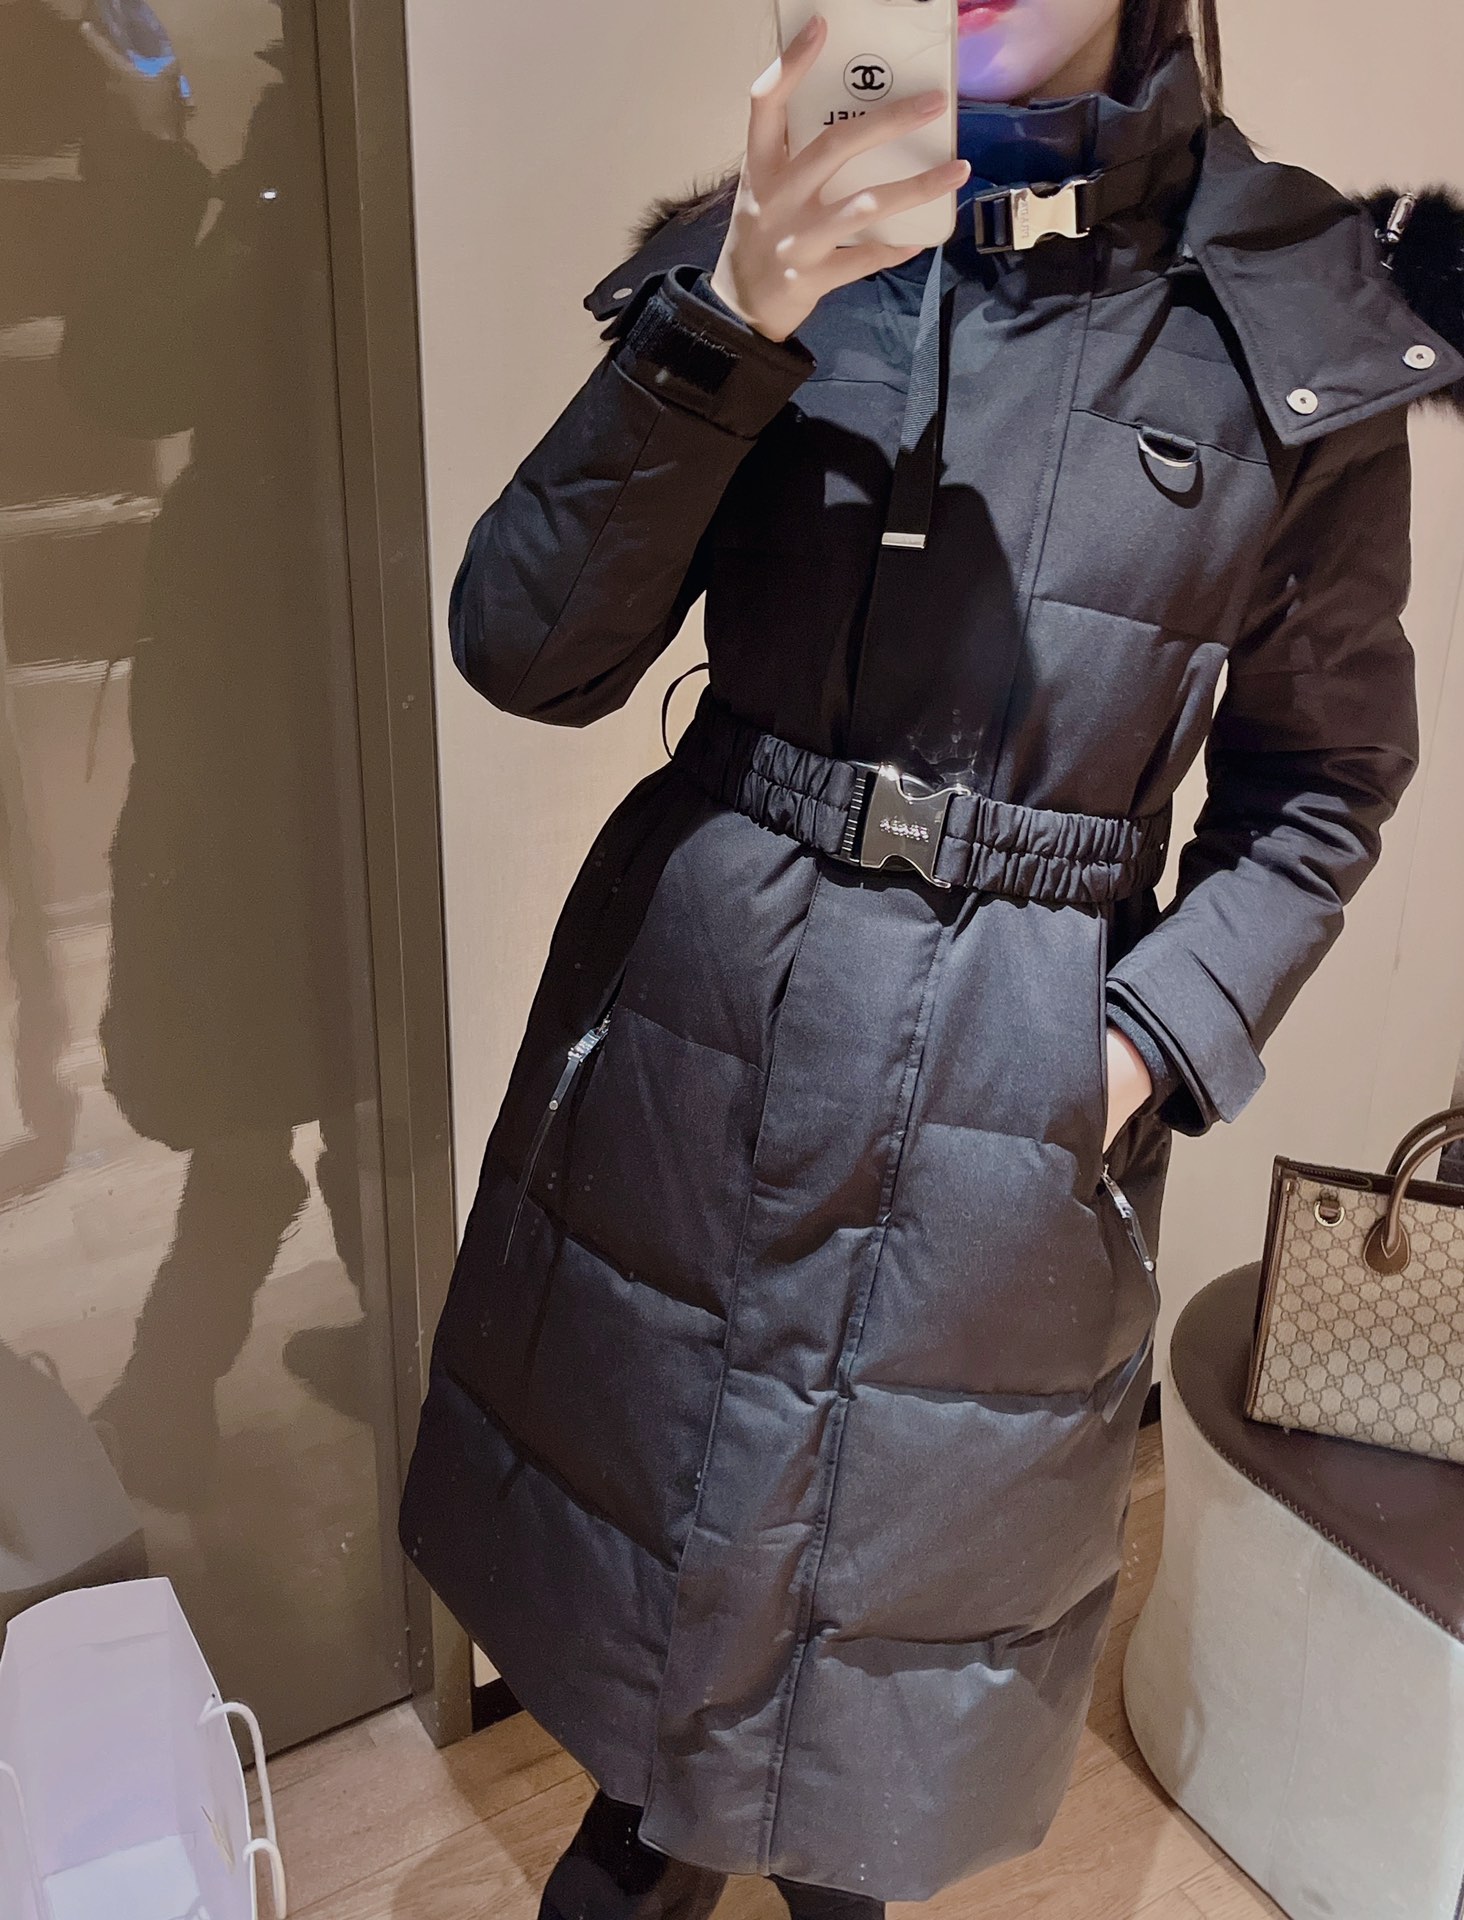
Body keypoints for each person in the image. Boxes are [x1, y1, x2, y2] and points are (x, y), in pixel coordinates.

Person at [400, 1, 1464, 1914]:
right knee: (662, 1555)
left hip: (1006, 1095)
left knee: (876, 1654)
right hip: (701, 1031)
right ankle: (643, 1843)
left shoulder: (1296, 306)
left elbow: (1321, 785)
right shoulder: (774, 237)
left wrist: (1131, 1050)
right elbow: (524, 649)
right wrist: (737, 303)